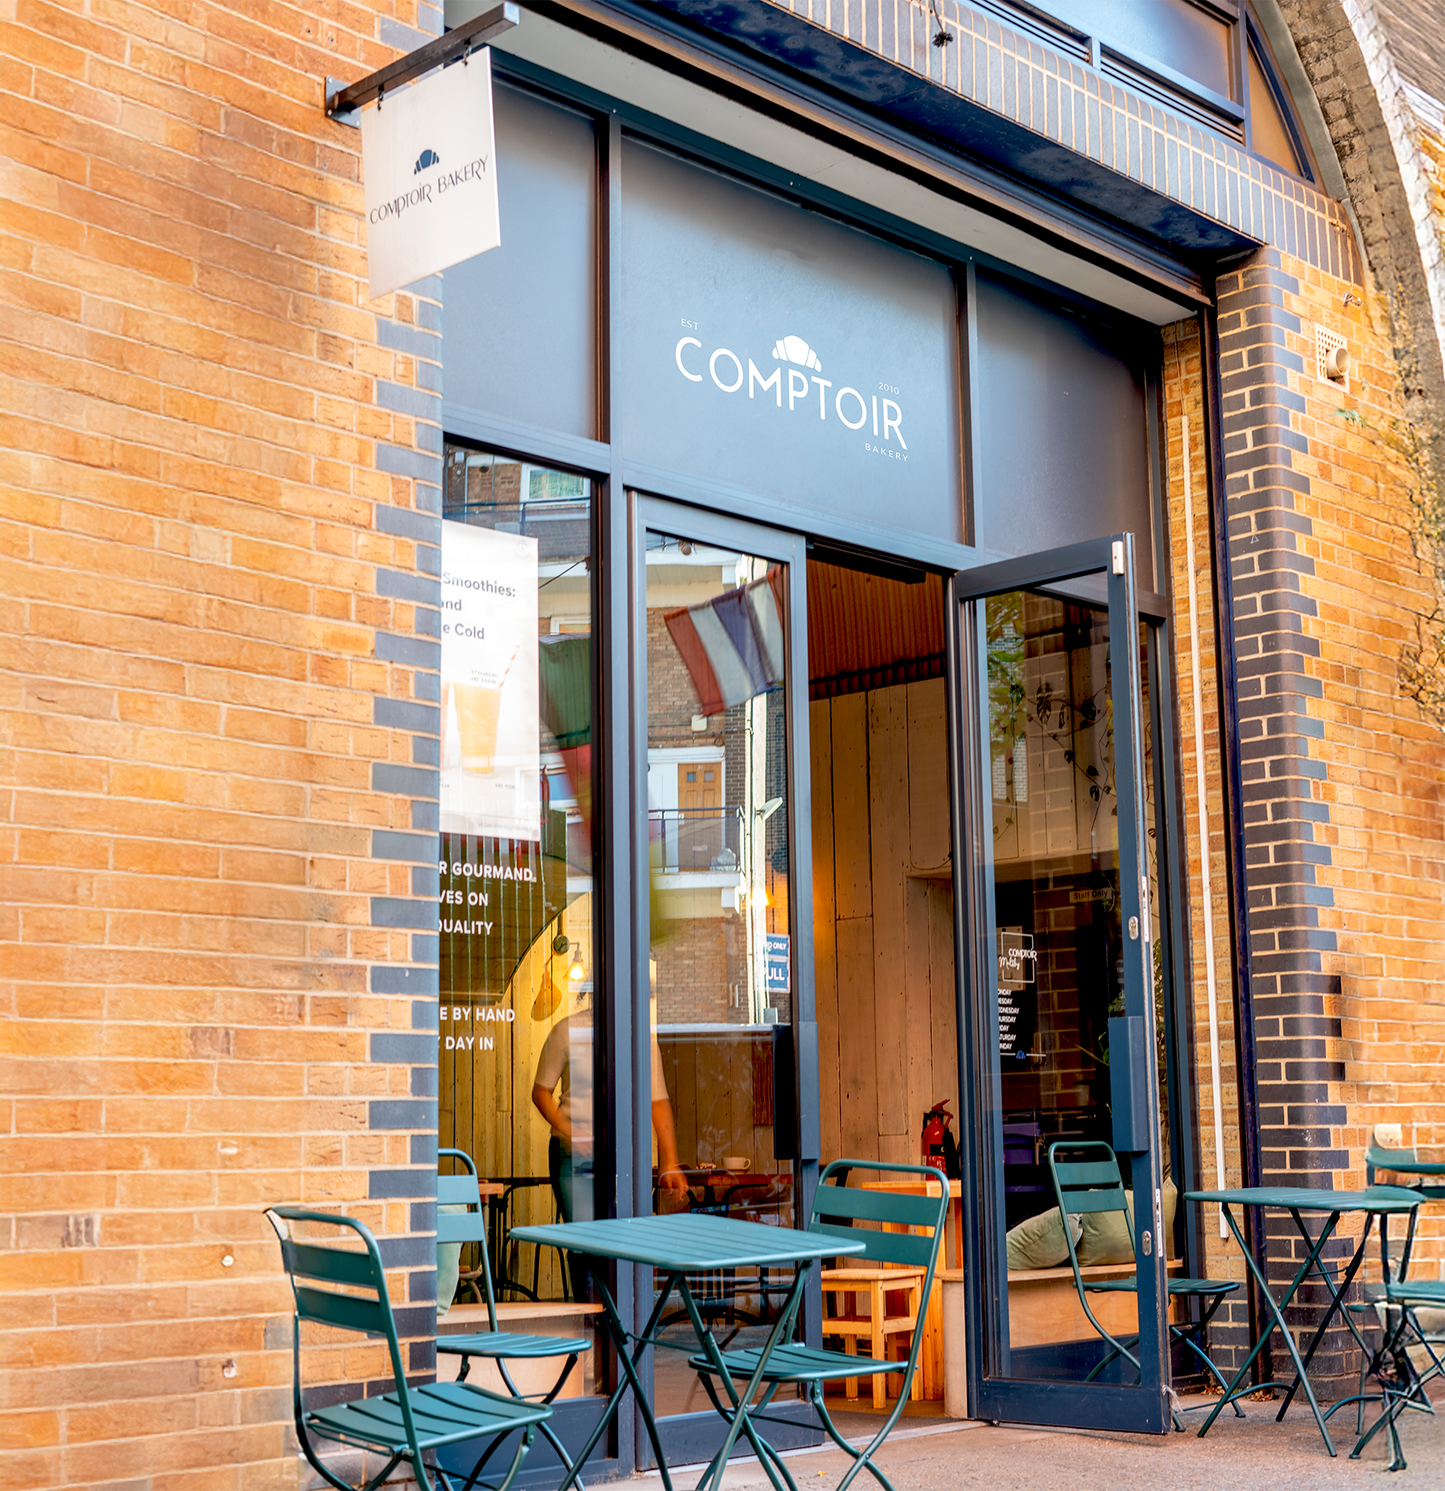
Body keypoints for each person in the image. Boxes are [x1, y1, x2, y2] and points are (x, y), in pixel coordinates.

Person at [532, 961, 689, 1268]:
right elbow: (541, 1093)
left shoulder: (641, 1037)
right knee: (584, 1245)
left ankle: (616, 1316)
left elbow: (657, 1102)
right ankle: (589, 1316)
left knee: (626, 1243)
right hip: (571, 1156)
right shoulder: (567, 1030)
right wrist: (571, 1132)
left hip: (625, 1157)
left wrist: (669, 1162)